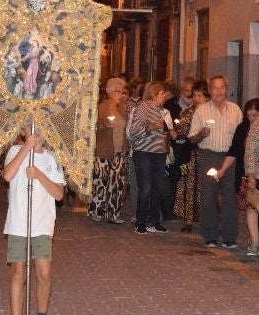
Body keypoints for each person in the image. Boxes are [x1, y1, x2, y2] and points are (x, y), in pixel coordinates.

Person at [1, 129, 66, 315]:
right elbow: (8, 175)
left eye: (39, 127)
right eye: (30, 127)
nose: (35, 132)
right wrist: (26, 148)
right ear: (23, 130)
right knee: (18, 271)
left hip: (42, 222)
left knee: (44, 272)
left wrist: (39, 175)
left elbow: (59, 194)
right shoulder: (15, 151)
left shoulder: (52, 158)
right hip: (19, 221)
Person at [189, 75, 244, 248]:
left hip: (230, 157)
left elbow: (241, 137)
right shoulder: (202, 110)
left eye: (222, 87)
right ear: (209, 90)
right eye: (215, 88)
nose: (219, 91)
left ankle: (229, 237)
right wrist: (201, 134)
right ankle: (210, 235)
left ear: (227, 89)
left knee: (229, 197)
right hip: (209, 156)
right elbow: (192, 138)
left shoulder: (235, 110)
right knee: (208, 197)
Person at [127, 80, 175, 235]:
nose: (165, 96)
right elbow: (133, 131)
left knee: (158, 188)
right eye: (162, 93)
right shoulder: (142, 107)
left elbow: (163, 133)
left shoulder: (162, 111)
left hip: (159, 154)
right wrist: (150, 127)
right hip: (144, 153)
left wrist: (170, 133)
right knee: (146, 187)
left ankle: (153, 221)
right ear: (154, 94)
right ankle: (140, 222)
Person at [230, 98, 259, 257]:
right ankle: (256, 242)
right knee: (252, 207)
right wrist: (251, 176)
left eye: (254, 115)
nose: (251, 118)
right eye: (248, 115)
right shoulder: (245, 127)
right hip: (251, 173)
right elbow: (243, 151)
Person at [89, 77, 130, 224]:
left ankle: (113, 213)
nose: (121, 95)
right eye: (118, 92)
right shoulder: (102, 107)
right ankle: (97, 211)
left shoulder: (123, 108)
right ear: (110, 92)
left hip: (120, 151)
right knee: (101, 181)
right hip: (104, 150)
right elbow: (93, 128)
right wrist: (106, 125)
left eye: (123, 92)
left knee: (117, 183)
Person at [173, 81, 208, 232]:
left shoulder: (211, 112)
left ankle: (208, 218)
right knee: (189, 185)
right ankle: (188, 220)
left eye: (200, 96)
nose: (196, 99)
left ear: (207, 97)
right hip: (191, 154)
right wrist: (176, 132)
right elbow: (180, 130)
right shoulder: (188, 113)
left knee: (207, 187)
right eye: (194, 95)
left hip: (208, 154)